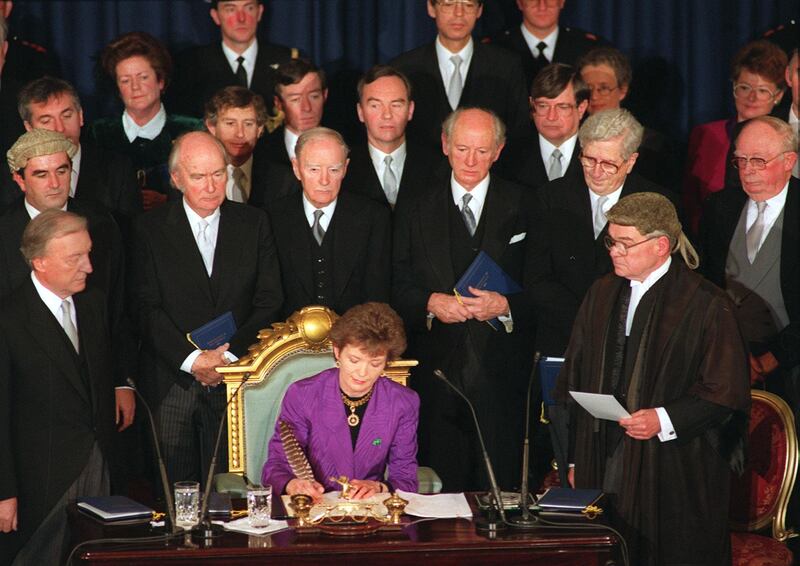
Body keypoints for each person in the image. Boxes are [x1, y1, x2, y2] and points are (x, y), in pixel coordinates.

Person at [557, 192, 750, 565]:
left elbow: (726, 391)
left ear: (661, 245)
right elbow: (574, 374)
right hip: (603, 454)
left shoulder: (706, 304)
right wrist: (575, 458)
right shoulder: (601, 292)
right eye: (611, 241)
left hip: (674, 464)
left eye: (625, 243)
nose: (614, 251)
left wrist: (663, 418)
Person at [392, 107, 535, 491]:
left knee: (501, 488)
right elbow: (395, 282)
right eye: (462, 149)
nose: (471, 160)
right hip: (435, 374)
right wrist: (430, 302)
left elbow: (542, 287)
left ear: (499, 151)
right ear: (445, 145)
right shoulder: (414, 205)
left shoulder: (526, 204)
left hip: (503, 375)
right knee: (441, 490)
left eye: (482, 150)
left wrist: (505, 306)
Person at [132, 131, 283, 486]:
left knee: (231, 494)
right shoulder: (147, 230)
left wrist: (227, 361)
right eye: (199, 176)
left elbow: (268, 300)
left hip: (237, 381)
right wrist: (193, 360)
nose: (212, 185)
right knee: (176, 497)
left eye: (219, 173)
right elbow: (144, 307)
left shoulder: (254, 222)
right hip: (173, 381)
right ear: (176, 179)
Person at [0, 209, 117, 565]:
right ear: (40, 262)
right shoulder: (9, 318)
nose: (89, 267)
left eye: (88, 253)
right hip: (40, 484)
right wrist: (4, 492)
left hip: (98, 469)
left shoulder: (92, 303)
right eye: (75, 258)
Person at [0, 129, 134, 431]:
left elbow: (119, 308)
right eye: (41, 174)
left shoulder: (102, 224)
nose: (54, 183)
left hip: (95, 391)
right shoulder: (3, 232)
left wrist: (122, 382)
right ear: (19, 180)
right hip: (27, 400)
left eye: (62, 170)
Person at [529, 108, 676, 358]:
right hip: (564, 339)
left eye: (608, 164)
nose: (596, 172)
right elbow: (537, 277)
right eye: (589, 160)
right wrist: (585, 320)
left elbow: (666, 283)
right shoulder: (550, 198)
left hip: (631, 344)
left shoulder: (657, 205)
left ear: (630, 162)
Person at [262, 302, 419, 500]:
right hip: (314, 508)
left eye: (375, 363)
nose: (363, 373)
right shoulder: (303, 395)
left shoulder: (403, 402)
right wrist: (294, 484)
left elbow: (406, 479)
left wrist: (379, 487)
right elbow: (276, 467)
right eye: (354, 360)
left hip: (370, 512)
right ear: (337, 352)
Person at [700, 116, 799, 416]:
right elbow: (704, 284)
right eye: (740, 160)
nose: (748, 170)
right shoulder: (720, 207)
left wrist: (771, 359)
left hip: (791, 366)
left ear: (789, 161)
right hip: (726, 360)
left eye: (758, 160)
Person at [267, 127, 391, 318]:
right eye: (314, 169)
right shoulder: (270, 219)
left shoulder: (374, 217)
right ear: (296, 168)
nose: (324, 180)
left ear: (345, 168)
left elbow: (378, 293)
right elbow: (267, 297)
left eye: (333, 170)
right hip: (288, 342)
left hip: (354, 341)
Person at [390, 0, 529, 150]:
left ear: (479, 10)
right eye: (449, 4)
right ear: (431, 8)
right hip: (420, 171)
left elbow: (519, 132)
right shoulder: (403, 68)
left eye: (468, 5)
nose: (459, 13)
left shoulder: (506, 66)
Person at [89, 32, 203, 211]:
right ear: (118, 89)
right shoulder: (98, 134)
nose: (135, 87)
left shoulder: (191, 130)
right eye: (126, 80)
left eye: (143, 77)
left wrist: (168, 201)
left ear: (161, 81)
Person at [684, 40, 787, 234]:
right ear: (734, 87)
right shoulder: (706, 134)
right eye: (745, 87)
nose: (752, 97)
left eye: (763, 90)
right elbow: (690, 198)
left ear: (779, 96)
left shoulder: (787, 142)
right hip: (708, 238)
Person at [18, 76, 142, 222]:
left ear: (81, 116)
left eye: (66, 116)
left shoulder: (118, 169)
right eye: (46, 121)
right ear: (29, 128)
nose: (59, 129)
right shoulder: (10, 180)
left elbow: (132, 235)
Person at [169, 0, 297, 120]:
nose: (241, 18)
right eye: (231, 9)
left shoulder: (286, 59)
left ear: (259, 12)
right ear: (216, 16)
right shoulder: (190, 63)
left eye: (249, 8)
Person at [577, 46, 681, 192]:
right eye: (588, 88)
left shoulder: (652, 144)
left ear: (623, 90)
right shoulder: (572, 139)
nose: (594, 96)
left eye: (604, 88)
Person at [342, 64, 439, 214]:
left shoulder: (438, 167)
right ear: (360, 112)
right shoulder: (342, 169)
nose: (387, 115)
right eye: (375, 105)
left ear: (410, 110)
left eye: (396, 105)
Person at [499, 62, 589, 189]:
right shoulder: (507, 155)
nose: (551, 117)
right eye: (543, 106)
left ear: (581, 108)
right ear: (531, 104)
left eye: (562, 107)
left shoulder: (599, 155)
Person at [489, 0, 607, 89]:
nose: (542, 5)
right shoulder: (494, 49)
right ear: (520, 3)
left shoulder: (588, 48)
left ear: (562, 2)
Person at [204, 85, 269, 205]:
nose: (240, 134)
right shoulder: (195, 178)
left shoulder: (284, 181)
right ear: (212, 127)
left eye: (248, 124)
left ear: (259, 129)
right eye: (230, 123)